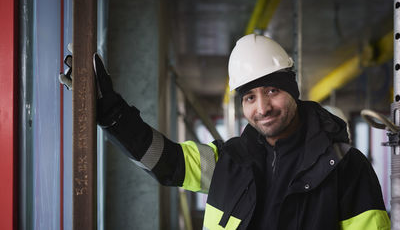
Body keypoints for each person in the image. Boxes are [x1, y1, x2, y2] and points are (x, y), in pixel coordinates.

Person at [61, 33, 390, 229]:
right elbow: (165, 161)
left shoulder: (349, 168)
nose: (262, 108)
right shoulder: (229, 161)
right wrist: (112, 114)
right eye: (250, 97)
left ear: (293, 89)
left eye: (272, 91)